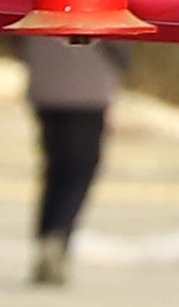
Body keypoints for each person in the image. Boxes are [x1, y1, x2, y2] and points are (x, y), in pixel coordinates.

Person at [26, 34, 123, 287]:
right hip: (88, 89)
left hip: (45, 81)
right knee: (79, 171)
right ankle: (58, 234)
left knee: (56, 169)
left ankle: (48, 236)